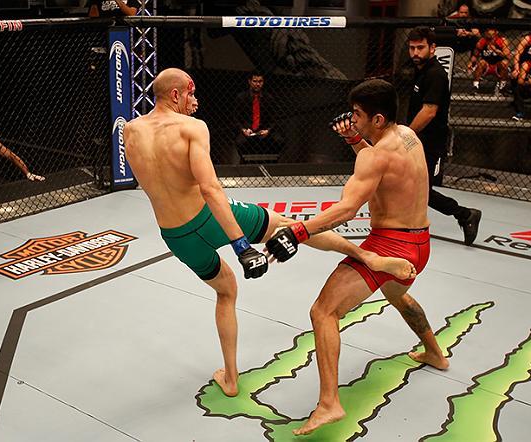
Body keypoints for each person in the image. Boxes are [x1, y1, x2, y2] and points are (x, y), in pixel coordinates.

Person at [122, 68, 415, 398]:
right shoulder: (192, 128)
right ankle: (366, 255)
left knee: (226, 290)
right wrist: (241, 245)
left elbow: (155, 179)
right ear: (175, 95)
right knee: (286, 226)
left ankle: (230, 378)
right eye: (190, 94)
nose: (195, 101)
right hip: (207, 217)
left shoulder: (130, 130)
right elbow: (210, 188)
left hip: (175, 236)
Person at [265, 79, 449, 436]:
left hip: (390, 245)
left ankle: (329, 403)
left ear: (377, 119)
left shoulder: (374, 154)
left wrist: (299, 231)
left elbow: (348, 209)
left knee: (323, 311)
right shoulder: (408, 136)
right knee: (398, 295)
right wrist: (354, 140)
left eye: (358, 115)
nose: (353, 119)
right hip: (420, 243)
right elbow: (384, 169)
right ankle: (435, 353)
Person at [407, 27, 481, 246]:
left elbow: (429, 110)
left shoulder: (435, 74)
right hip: (418, 140)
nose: (415, 53)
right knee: (412, 187)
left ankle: (465, 214)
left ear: (432, 48)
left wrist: (405, 134)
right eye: (411, 48)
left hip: (429, 142)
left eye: (420, 48)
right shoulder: (420, 69)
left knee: (422, 191)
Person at [233, 71, 285, 163]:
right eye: (255, 81)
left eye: (260, 81)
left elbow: (274, 118)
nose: (257, 84)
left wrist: (268, 130)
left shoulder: (269, 98)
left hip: (263, 129)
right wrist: (243, 129)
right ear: (249, 82)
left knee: (279, 140)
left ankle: (272, 162)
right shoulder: (241, 97)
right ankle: (245, 161)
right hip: (248, 128)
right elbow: (236, 118)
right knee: (239, 142)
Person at [468, 28, 511, 95]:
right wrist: (470, 63)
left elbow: (508, 56)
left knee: (504, 63)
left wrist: (496, 50)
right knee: (481, 62)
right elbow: (475, 55)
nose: (488, 33)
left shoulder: (502, 41)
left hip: (498, 65)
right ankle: (475, 87)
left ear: (496, 32)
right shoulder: (482, 41)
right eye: (487, 31)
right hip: (486, 64)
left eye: (491, 31)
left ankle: (502, 88)